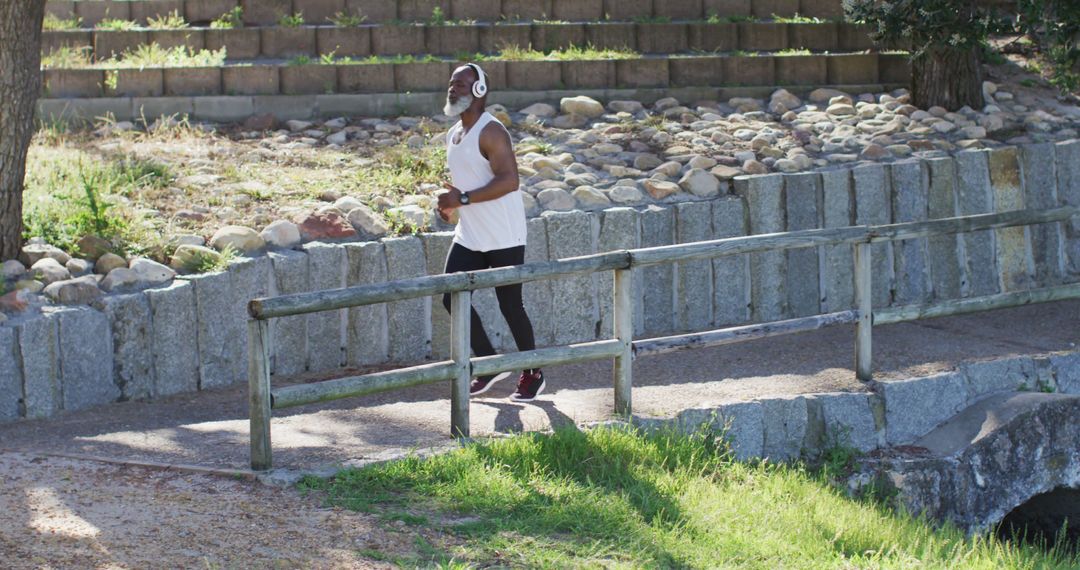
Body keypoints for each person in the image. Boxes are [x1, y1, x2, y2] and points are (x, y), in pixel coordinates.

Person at [436, 63, 545, 402]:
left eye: (461, 84)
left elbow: (510, 181)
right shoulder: (454, 134)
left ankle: (533, 373)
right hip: (470, 232)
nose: (453, 88)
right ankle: (487, 362)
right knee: (450, 294)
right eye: (451, 83)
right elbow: (467, 181)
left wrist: (463, 198)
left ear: (479, 91)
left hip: (503, 233)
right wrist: (450, 204)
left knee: (510, 304)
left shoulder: (492, 131)